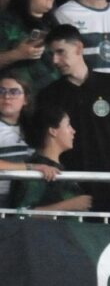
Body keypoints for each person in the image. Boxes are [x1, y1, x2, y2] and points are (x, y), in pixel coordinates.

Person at [36, 24, 110, 213]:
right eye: (52, 54)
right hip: (72, 191)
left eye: (61, 52)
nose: (55, 60)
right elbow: (45, 145)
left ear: (79, 48)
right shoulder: (49, 95)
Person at [11, 102, 92, 212]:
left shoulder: (53, 166)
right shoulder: (38, 171)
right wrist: (70, 205)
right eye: (68, 125)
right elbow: (21, 214)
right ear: (53, 131)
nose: (73, 131)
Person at [0, 73, 61, 207]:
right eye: (1, 91)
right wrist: (31, 168)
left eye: (14, 92)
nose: (7, 96)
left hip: (21, 199)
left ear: (26, 99)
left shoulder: (30, 128)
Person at [0, 0, 60, 94]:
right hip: (17, 100)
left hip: (54, 98)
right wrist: (17, 54)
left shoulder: (54, 24)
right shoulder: (7, 22)